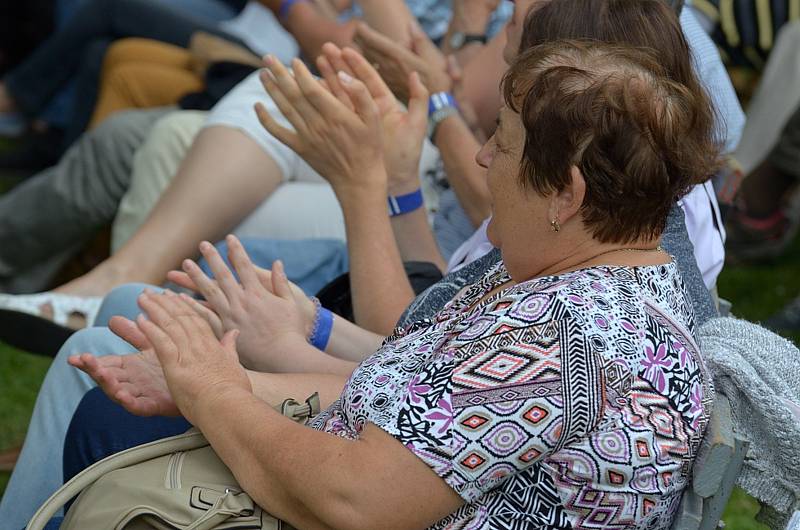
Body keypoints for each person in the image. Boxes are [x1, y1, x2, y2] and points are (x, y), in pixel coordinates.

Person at [59, 35, 719, 528]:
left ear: (565, 195)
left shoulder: (569, 336)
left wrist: (213, 388)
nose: (482, 157)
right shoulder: (607, 289)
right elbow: (414, 401)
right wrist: (223, 384)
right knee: (109, 417)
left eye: (503, 142)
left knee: (108, 443)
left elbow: (357, 499)